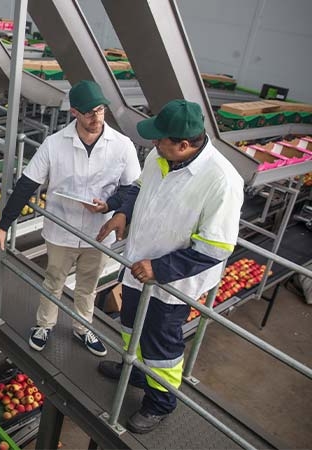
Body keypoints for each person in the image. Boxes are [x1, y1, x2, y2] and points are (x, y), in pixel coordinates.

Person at [95, 99, 244, 433]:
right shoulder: (159, 157)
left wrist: (160, 269)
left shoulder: (222, 181)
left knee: (161, 346)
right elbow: (138, 189)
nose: (153, 144)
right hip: (137, 266)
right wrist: (123, 212)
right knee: (130, 324)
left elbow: (215, 247)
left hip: (174, 284)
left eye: (160, 139)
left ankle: (159, 403)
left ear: (184, 145)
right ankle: (133, 370)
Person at [0, 80, 141, 356]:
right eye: (89, 112)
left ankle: (82, 327)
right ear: (75, 112)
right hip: (61, 229)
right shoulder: (54, 144)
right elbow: (27, 184)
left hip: (99, 231)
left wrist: (110, 206)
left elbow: (132, 186)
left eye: (100, 110)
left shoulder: (122, 145)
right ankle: (44, 325)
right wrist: (3, 226)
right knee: (54, 280)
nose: (96, 117)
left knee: (88, 285)